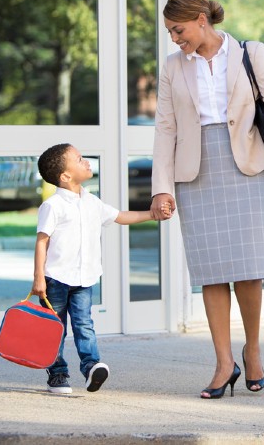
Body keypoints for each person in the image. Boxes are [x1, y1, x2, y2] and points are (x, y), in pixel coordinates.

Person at [151, 0, 264, 399]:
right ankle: (224, 362)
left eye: (178, 30)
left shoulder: (249, 52)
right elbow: (165, 129)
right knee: (211, 271)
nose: (175, 39)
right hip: (197, 169)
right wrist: (161, 189)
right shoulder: (174, 67)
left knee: (249, 267)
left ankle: (254, 349)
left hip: (244, 163)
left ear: (200, 19)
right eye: (171, 33)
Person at [32, 143, 171, 394]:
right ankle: (58, 374)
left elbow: (120, 216)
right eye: (79, 159)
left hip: (85, 278)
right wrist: (39, 278)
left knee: (84, 324)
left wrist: (153, 215)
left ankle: (91, 367)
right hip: (56, 279)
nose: (86, 162)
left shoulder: (91, 202)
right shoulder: (53, 206)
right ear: (65, 176)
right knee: (56, 328)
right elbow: (42, 242)